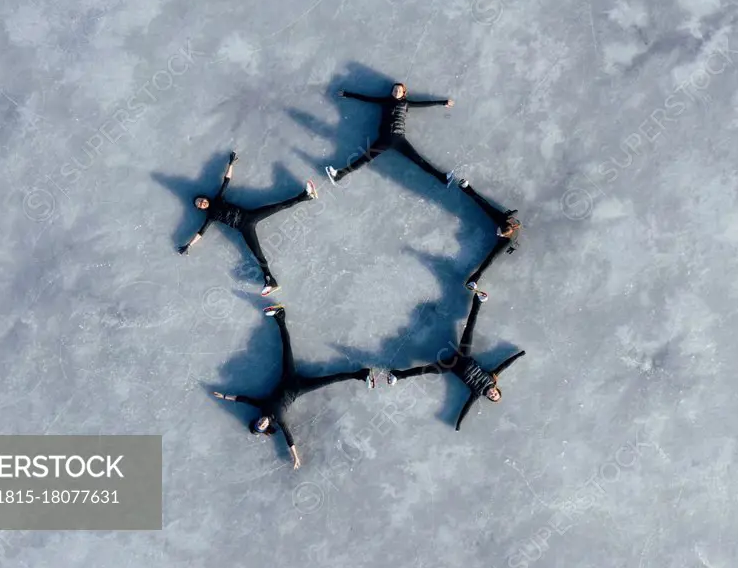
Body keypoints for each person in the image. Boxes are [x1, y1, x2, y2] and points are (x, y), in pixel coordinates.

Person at [211, 305, 377, 469]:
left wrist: (225, 396)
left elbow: (244, 399)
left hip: (287, 376)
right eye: (262, 426)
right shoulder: (280, 420)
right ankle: (360, 374)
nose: (261, 422)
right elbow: (289, 439)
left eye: (258, 423)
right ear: (267, 427)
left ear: (258, 419)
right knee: (332, 379)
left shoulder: (263, 407)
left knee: (286, 348)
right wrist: (296, 458)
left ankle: (280, 317)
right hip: (300, 388)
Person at [177, 151, 318, 296]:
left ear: (204, 198)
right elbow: (201, 233)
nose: (201, 202)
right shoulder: (210, 217)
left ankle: (306, 196)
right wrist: (188, 245)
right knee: (258, 254)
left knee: (278, 206)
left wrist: (230, 164)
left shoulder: (218, 199)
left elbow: (226, 181)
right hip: (245, 229)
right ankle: (270, 280)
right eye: (199, 204)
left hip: (251, 216)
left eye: (201, 200)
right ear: (200, 208)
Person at [385, 294, 526, 431]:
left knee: (425, 370)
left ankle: (398, 375)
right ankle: (478, 301)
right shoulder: (492, 377)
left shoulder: (476, 393)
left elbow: (466, 407)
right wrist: (518, 355)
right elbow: (504, 365)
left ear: (488, 397)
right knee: (469, 329)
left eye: (492, 397)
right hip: (463, 356)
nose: (492, 395)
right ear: (496, 390)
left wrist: (458, 423)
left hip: (451, 366)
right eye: (495, 394)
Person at [325, 82, 456, 186]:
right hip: (384, 139)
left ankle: (443, 178)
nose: (396, 92)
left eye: (399, 90)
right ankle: (339, 174)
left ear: (403, 93)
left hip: (399, 140)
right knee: (365, 158)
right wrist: (348, 94)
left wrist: (443, 102)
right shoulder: (385, 101)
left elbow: (424, 103)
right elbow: (366, 98)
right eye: (394, 90)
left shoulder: (406, 104)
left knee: (419, 161)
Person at [457, 178, 522, 292]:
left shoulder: (508, 241)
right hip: (505, 222)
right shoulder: (505, 220)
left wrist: (511, 245)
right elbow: (512, 215)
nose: (499, 234)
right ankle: (467, 189)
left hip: (507, 241)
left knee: (489, 260)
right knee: (485, 206)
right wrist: (510, 218)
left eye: (502, 234)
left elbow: (490, 260)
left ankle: (474, 280)